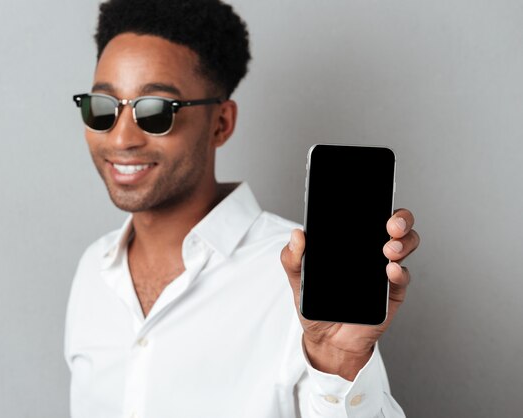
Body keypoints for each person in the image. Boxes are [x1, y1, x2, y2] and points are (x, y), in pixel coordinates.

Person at [64, 0, 420, 417]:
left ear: (221, 123)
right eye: (102, 109)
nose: (121, 138)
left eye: (156, 112)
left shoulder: (299, 281)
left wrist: (339, 362)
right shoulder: (93, 272)